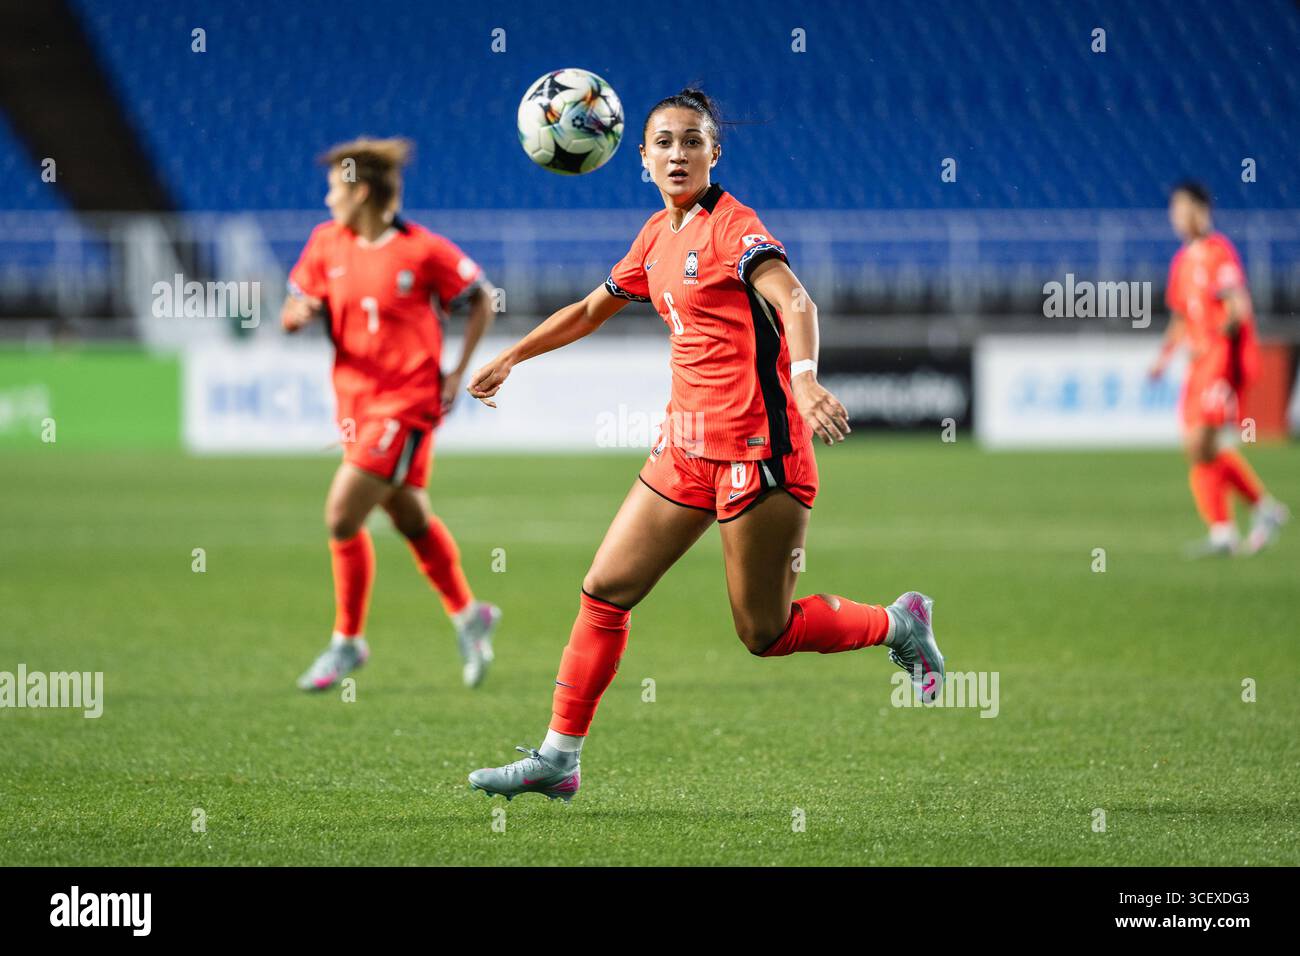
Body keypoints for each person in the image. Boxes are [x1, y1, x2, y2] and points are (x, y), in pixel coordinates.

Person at [464, 90, 944, 802]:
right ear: (642, 158)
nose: (678, 154)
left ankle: (897, 624)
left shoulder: (732, 227)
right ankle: (558, 758)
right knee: (605, 591)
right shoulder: (658, 233)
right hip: (685, 448)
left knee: (764, 631)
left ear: (715, 153)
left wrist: (806, 381)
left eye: (693, 141)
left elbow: (796, 301)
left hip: (761, 450)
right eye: (665, 142)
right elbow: (593, 308)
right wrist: (513, 356)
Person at [281, 137, 501, 690]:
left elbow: (481, 297)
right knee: (410, 519)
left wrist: (458, 371)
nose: (327, 198)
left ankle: (347, 642)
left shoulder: (422, 250)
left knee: (341, 515)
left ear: (359, 191)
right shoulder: (325, 244)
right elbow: (292, 306)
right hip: (355, 405)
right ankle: (469, 614)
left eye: (334, 187)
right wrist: (297, 313)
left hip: (406, 404)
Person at [1152, 181, 1288, 556]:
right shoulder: (1182, 261)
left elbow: (1236, 308)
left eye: (1181, 210)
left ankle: (1229, 528)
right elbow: (1181, 316)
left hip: (1220, 360)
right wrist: (1163, 359)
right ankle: (1253, 515)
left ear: (1200, 210)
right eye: (1173, 211)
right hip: (1198, 365)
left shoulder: (1218, 253)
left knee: (1201, 443)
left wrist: (1212, 339)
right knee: (1197, 449)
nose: (1176, 218)